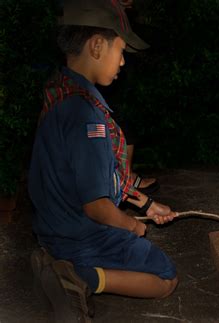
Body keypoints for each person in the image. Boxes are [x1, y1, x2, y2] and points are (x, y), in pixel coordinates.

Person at [28, 1, 177, 321]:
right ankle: (80, 277)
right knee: (166, 278)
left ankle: (59, 262)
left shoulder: (60, 91)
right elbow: (97, 205)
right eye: (120, 50)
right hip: (78, 234)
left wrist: (147, 205)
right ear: (97, 46)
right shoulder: (87, 117)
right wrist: (133, 225)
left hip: (53, 225)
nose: (123, 61)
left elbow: (95, 175)